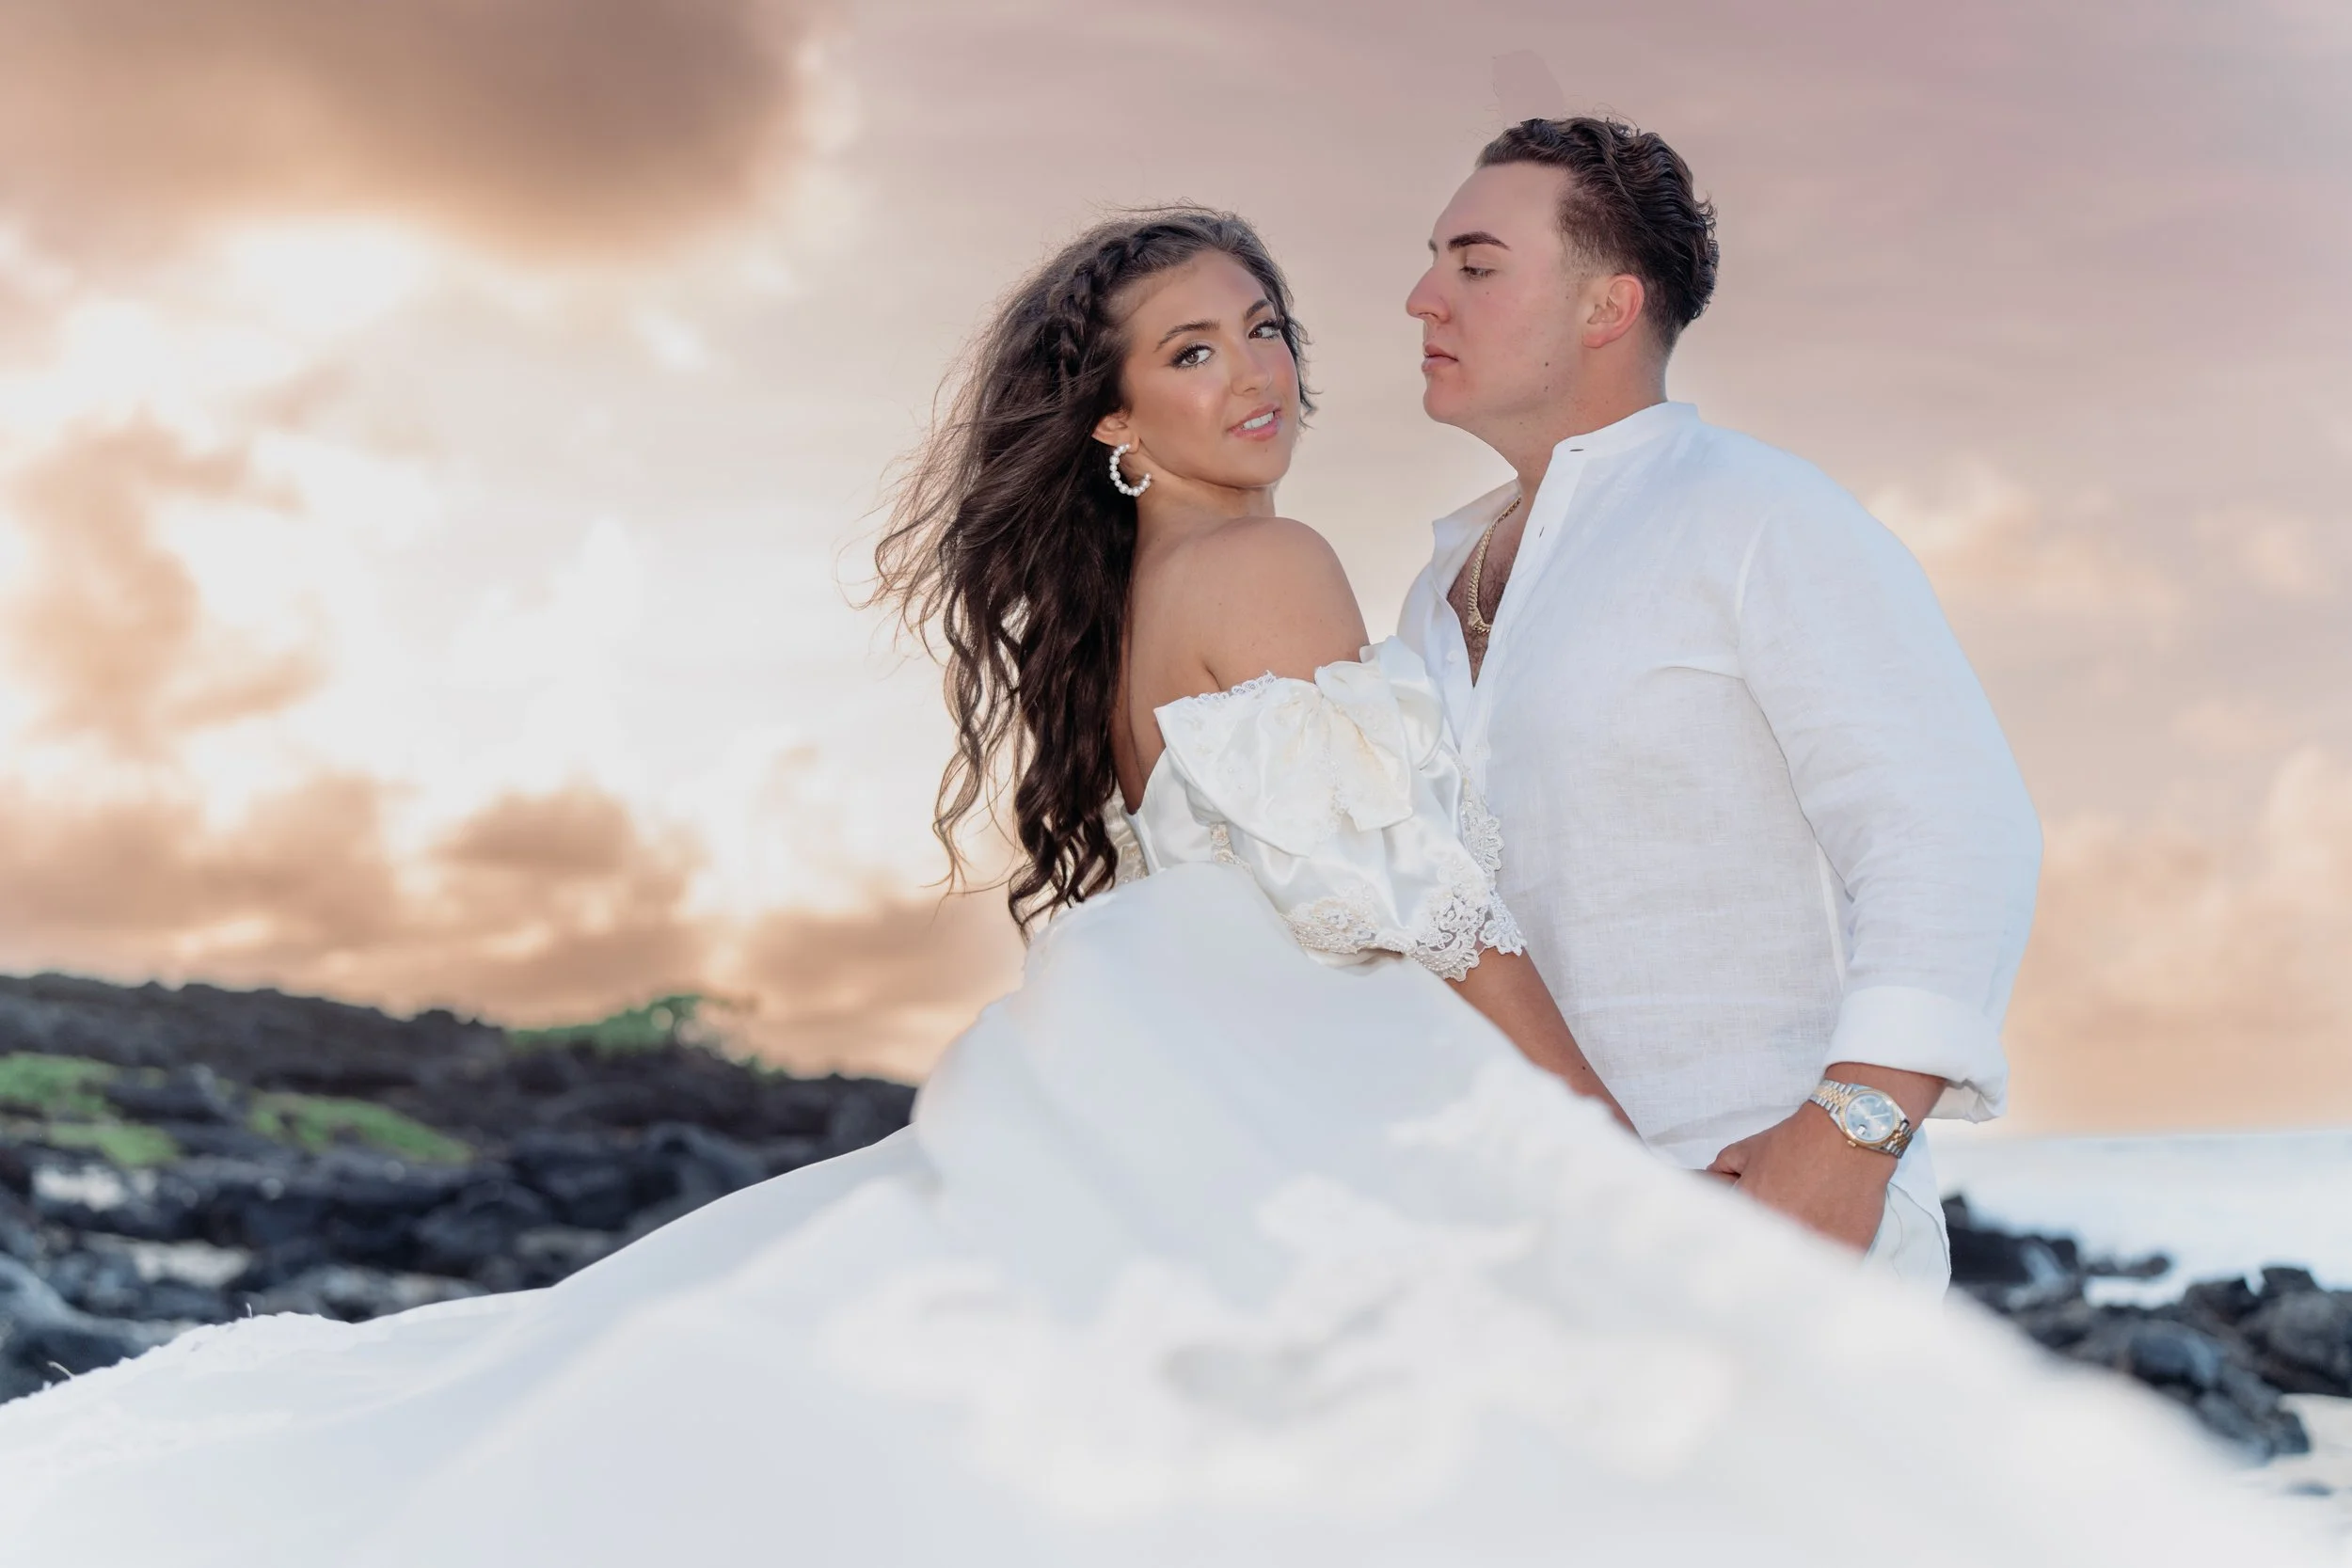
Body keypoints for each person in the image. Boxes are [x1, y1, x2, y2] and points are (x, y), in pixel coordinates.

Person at [0, 210, 2311, 1568]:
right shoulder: (1283, 564)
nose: (1258, 372)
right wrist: (1604, 1134)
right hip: (1318, 1036)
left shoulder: (1163, 592)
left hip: (1204, 1008)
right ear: (1113, 421)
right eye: (1191, 352)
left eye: (1269, 331)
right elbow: (1419, 899)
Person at [1399, 118, 2043, 1288]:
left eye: (1475, 265)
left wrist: (1847, 1142)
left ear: (1607, 308)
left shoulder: (1761, 518)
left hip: (1761, 1226)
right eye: (1434, 259)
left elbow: (1953, 827)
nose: (1421, 298)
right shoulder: (1433, 590)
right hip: (1515, 1251)